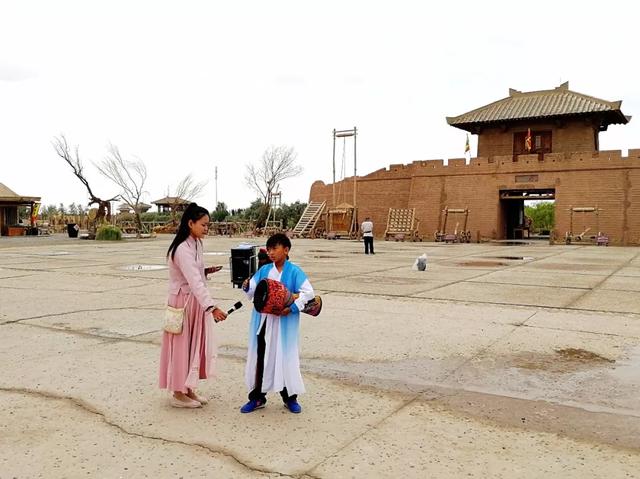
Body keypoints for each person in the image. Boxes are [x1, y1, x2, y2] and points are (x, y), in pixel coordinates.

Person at [159, 203, 227, 408]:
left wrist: (204, 271)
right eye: (203, 225)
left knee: (191, 346)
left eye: (208, 225)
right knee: (181, 347)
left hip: (194, 301)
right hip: (183, 302)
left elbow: (194, 275)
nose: (206, 228)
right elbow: (193, 281)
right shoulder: (182, 248)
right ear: (190, 223)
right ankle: (178, 393)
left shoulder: (196, 244)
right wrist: (212, 307)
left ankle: (188, 388)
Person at [240, 233, 315, 414]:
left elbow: (308, 293)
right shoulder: (265, 270)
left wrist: (293, 307)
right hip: (264, 321)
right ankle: (257, 397)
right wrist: (247, 285)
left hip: (284, 323)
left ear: (286, 250)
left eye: (275, 248)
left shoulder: (294, 271)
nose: (271, 253)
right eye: (269, 249)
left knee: (285, 358)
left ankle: (290, 398)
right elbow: (253, 289)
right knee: (260, 357)